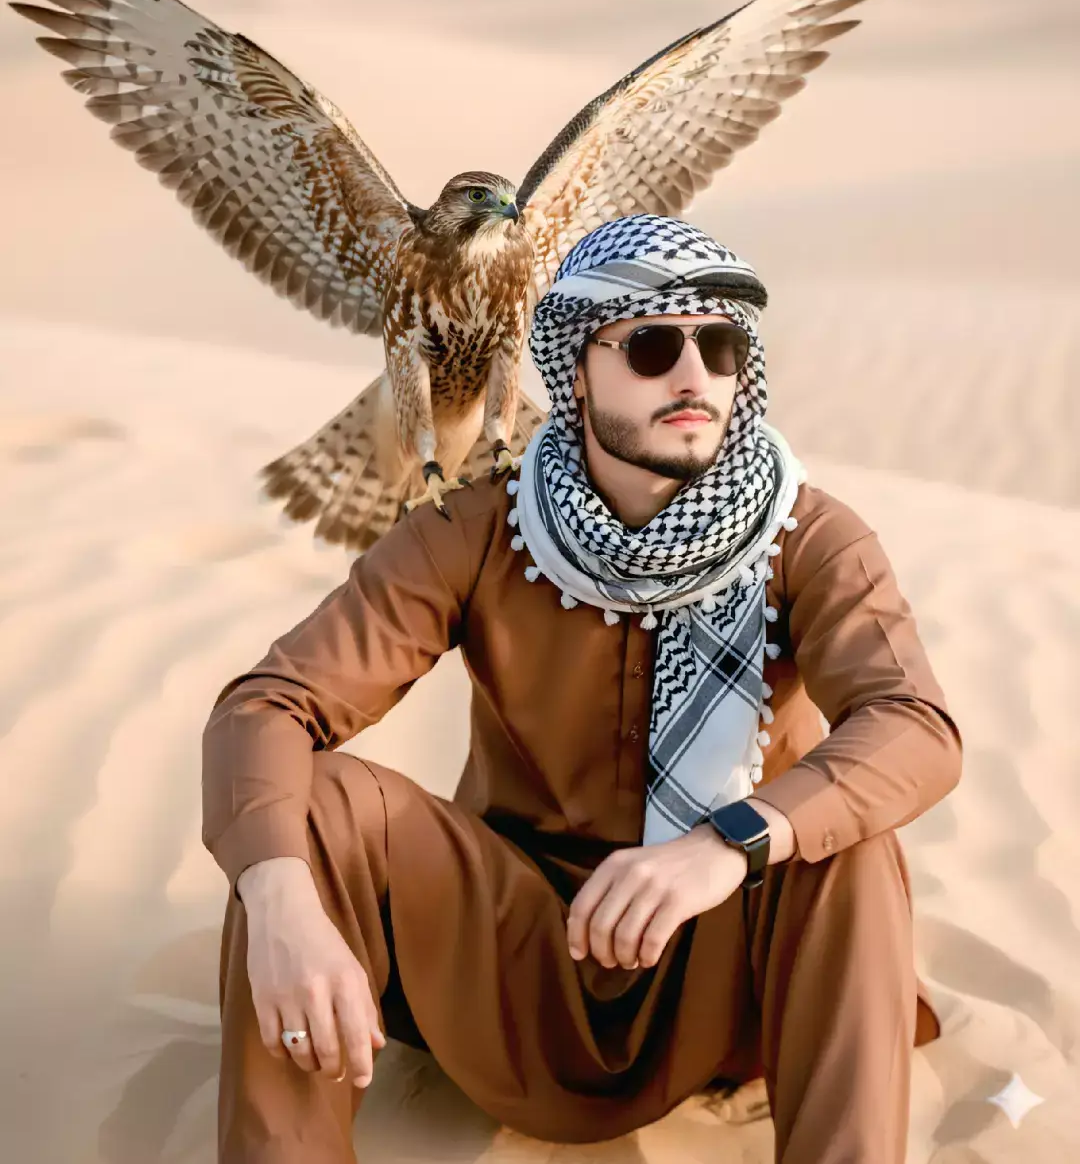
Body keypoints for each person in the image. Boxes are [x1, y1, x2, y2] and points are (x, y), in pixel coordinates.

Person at [202, 214, 961, 1164]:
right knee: (309, 808)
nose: (694, 378)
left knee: (844, 839)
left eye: (718, 347)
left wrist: (728, 844)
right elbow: (269, 704)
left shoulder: (807, 538)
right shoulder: (479, 531)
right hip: (513, 968)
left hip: (726, 976)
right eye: (651, 346)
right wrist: (276, 894)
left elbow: (914, 727)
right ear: (573, 367)